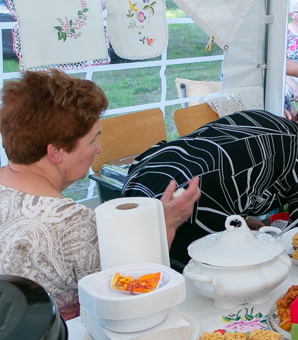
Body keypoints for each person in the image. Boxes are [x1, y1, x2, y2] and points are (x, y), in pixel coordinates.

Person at [0, 70, 199, 319]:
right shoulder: (68, 222)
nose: (98, 149)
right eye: (92, 140)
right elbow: (134, 304)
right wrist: (168, 224)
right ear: (56, 152)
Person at [123, 100, 298, 267]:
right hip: (184, 200)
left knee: (136, 266)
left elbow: (227, 166)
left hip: (146, 175)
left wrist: (244, 221)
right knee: (186, 274)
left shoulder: (261, 116)